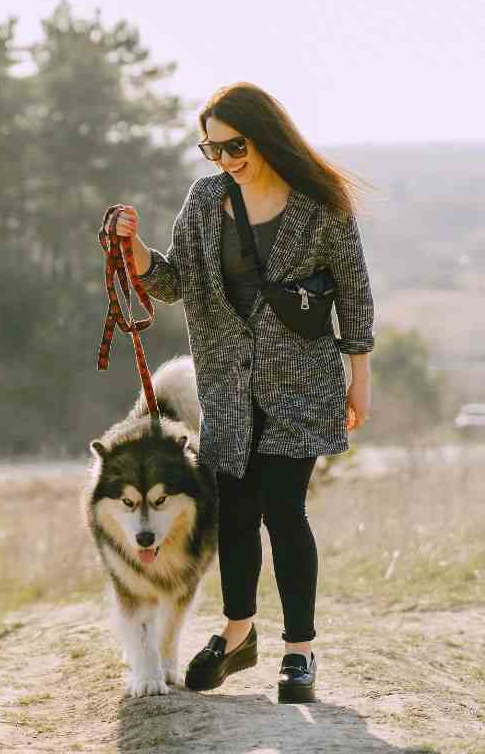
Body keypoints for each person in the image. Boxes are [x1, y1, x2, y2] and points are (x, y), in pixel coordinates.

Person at [107, 82, 374, 703]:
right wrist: (136, 253)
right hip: (226, 387)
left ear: (265, 135)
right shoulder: (205, 201)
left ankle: (300, 654)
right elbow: (174, 281)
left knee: (285, 512)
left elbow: (355, 293)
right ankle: (236, 631)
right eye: (211, 149)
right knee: (236, 516)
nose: (224, 160)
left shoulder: (321, 206)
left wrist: (360, 380)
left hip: (300, 385)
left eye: (234, 146)